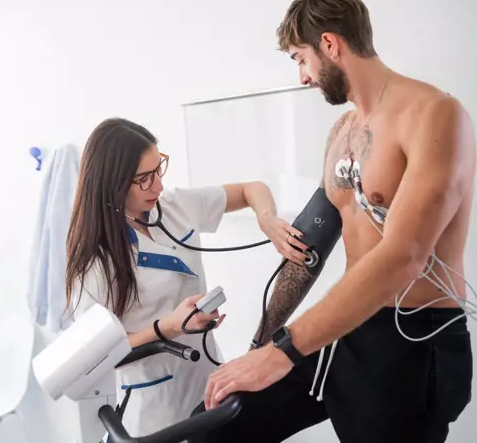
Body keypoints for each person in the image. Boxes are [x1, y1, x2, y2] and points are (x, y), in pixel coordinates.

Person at [190, 0, 476, 442]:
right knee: (216, 426)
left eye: (299, 59)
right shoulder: (342, 132)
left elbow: (405, 255)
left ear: (329, 44)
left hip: (413, 339)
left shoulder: (435, 115)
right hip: (347, 327)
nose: (301, 77)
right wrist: (258, 346)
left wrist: (281, 352)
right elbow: (310, 247)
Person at [64, 117, 308, 438]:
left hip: (210, 377)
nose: (159, 186)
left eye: (158, 169)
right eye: (144, 179)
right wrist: (167, 327)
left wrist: (267, 219)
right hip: (154, 402)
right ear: (113, 182)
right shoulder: (95, 260)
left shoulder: (174, 206)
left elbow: (252, 189)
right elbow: (96, 357)